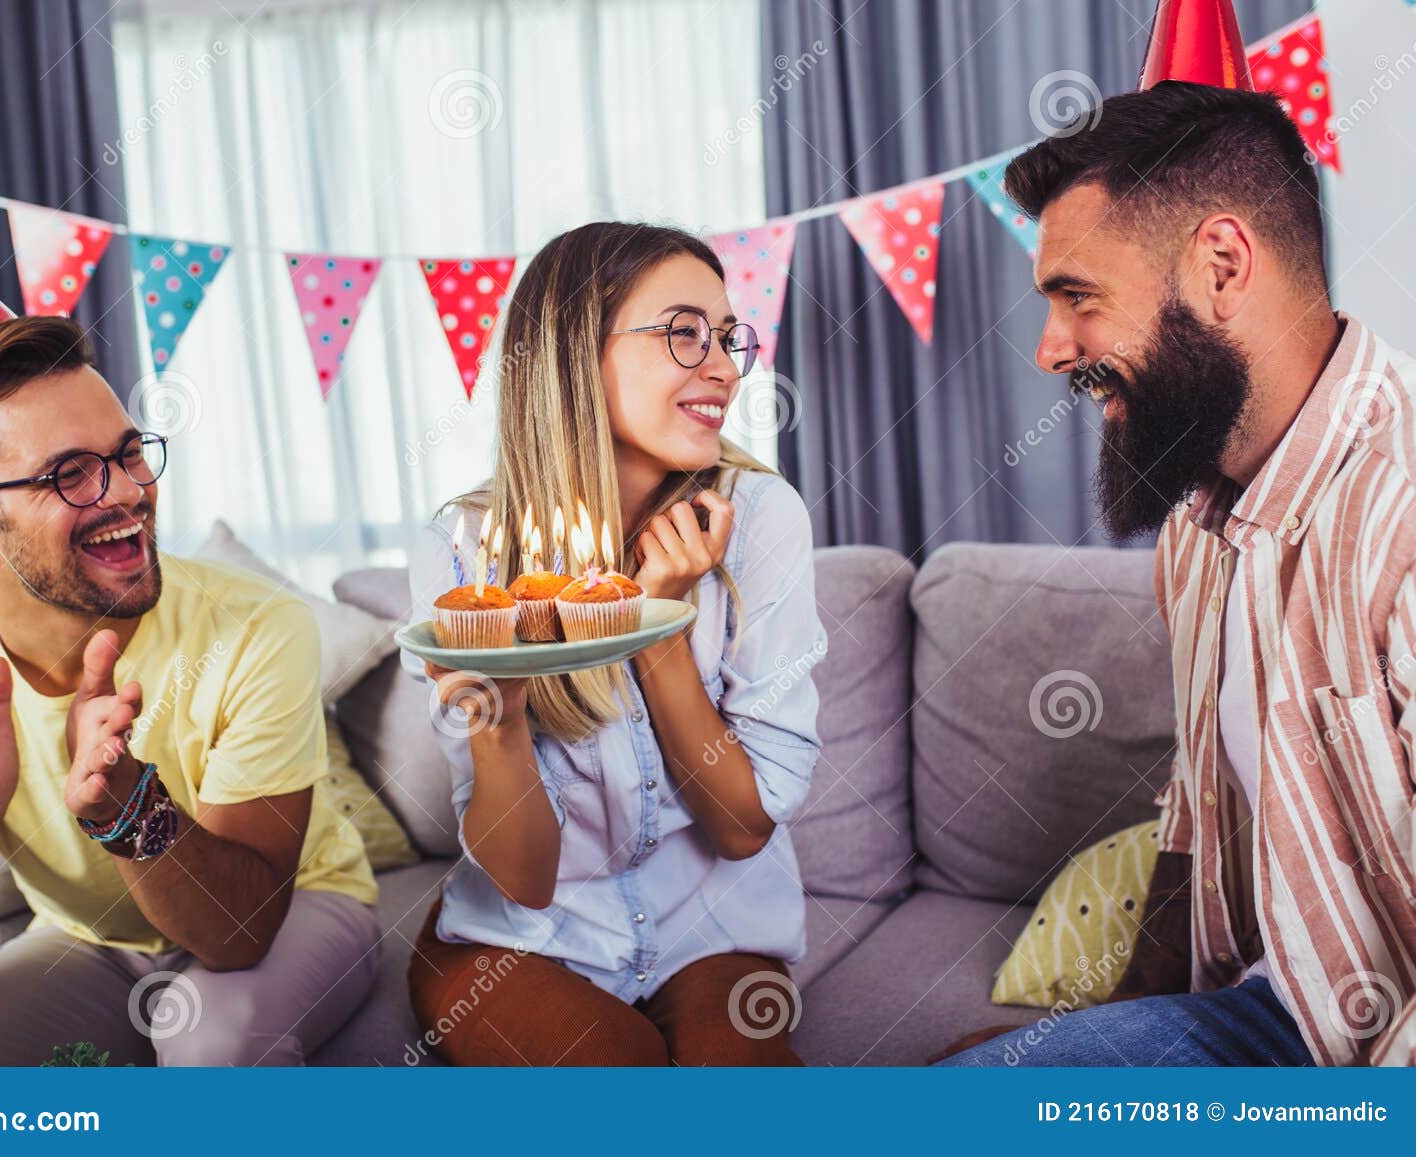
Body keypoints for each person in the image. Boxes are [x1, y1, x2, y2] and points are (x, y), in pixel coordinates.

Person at [938, 81, 1416, 1067]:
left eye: (1077, 296)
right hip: (1278, 1015)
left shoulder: (1400, 507)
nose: (1049, 351)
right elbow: (1191, 827)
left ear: (1221, 266)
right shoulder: (1196, 528)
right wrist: (1089, 1036)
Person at [0, 220, 379, 1067]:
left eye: (129, 454)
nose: (127, 493)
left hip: (302, 904)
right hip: (89, 937)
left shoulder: (257, 627)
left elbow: (240, 934)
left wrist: (133, 811)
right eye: (69, 474)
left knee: (209, 1036)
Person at [405, 222, 826, 1065]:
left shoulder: (760, 520)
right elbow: (522, 878)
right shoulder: (466, 551)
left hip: (711, 928)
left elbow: (743, 828)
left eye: (727, 336)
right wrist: (500, 721)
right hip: (518, 935)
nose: (724, 366)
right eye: (684, 333)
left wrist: (659, 628)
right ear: (573, 356)